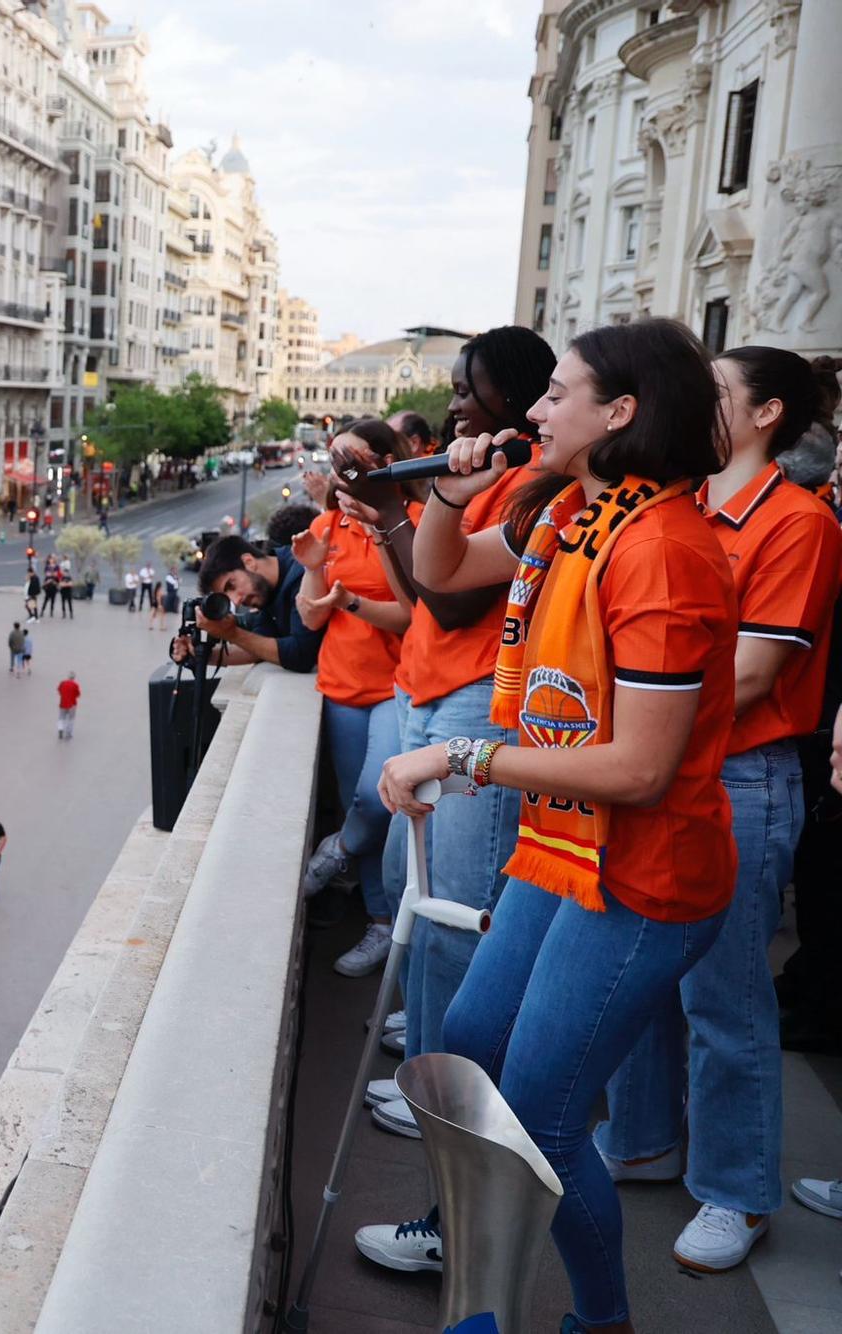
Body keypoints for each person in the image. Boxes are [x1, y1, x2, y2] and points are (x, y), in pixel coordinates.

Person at [373, 318, 739, 1329]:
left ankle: (596, 1316)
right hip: (562, 845)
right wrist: (445, 492)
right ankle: (476, 1259)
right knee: (473, 1037)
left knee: (539, 1110)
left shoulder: (659, 550)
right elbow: (441, 574)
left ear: (616, 413)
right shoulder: (570, 515)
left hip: (641, 874)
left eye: (556, 393)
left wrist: (460, 756)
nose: (531, 410)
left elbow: (638, 765)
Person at [592, 346, 840, 1272]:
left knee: (725, 1002)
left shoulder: (799, 522)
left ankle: (736, 1193)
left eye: (720, 392)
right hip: (659, 768)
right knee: (642, 975)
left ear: (768, 413)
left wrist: (627, 730)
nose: (700, 402)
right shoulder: (682, 506)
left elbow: (752, 675)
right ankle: (646, 1141)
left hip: (736, 777)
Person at [332, 325, 559, 1155]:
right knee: (413, 892)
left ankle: (447, 1095)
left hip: (473, 706)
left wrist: (408, 510)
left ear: (513, 395)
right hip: (426, 690)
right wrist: (394, 516)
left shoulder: (530, 483)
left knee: (455, 908)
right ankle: (427, 1062)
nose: (455, 404)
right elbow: (420, 587)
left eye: (469, 389)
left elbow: (455, 599)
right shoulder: (489, 479)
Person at [293, 419, 415, 978]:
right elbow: (309, 615)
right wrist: (317, 573)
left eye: (354, 461)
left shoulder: (407, 523)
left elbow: (413, 613)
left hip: (395, 684)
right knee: (359, 801)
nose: (341, 471)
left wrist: (352, 603)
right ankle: (379, 922)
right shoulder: (326, 525)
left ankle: (336, 851)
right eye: (336, 459)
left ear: (388, 462)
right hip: (341, 685)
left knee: (375, 799)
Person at [179, 536, 323, 674]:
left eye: (231, 585)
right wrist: (201, 654)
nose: (235, 601)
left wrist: (231, 633)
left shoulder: (301, 572)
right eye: (227, 597)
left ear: (249, 562)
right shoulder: (266, 591)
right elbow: (260, 648)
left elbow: (302, 656)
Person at [55, 672, 80, 741]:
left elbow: (59, 690)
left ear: (68, 677)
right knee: (71, 719)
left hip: (62, 703)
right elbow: (78, 694)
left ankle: (60, 729)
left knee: (61, 718)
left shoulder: (62, 683)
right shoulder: (75, 685)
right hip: (72, 704)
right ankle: (68, 733)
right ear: (74, 678)